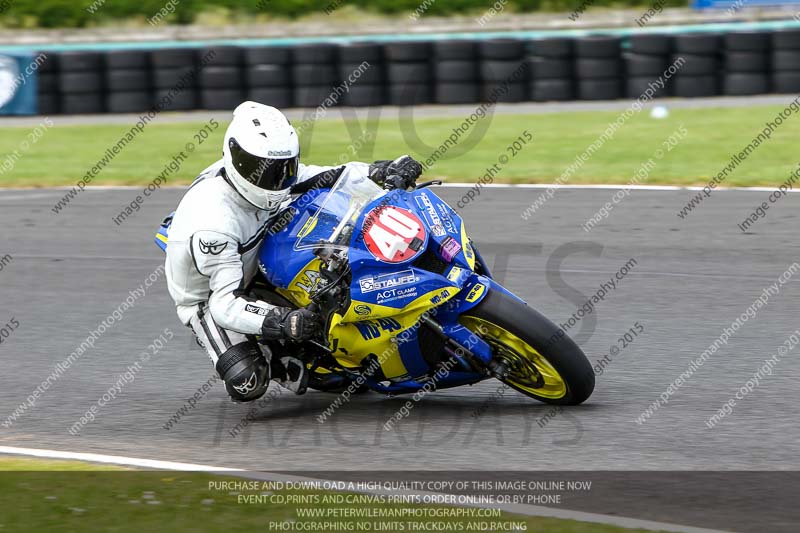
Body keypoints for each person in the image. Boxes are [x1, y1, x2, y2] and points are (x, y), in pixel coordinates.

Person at [164, 101, 423, 402]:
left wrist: (381, 170)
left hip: (258, 249)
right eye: (263, 171)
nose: (276, 181)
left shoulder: (274, 178)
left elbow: (329, 176)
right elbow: (224, 303)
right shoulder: (214, 225)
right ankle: (282, 364)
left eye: (283, 169)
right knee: (247, 382)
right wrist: (281, 321)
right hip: (212, 294)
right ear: (236, 159)